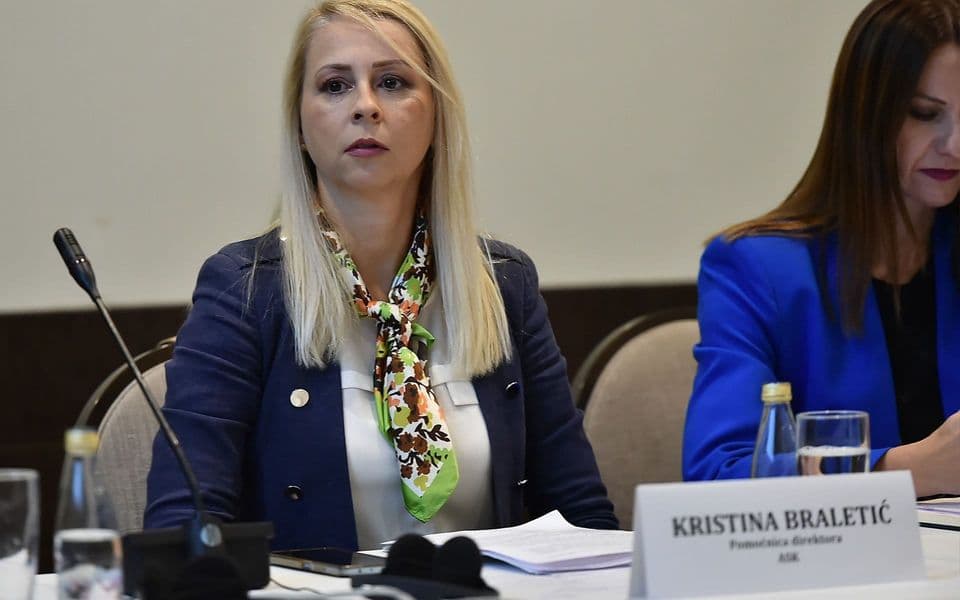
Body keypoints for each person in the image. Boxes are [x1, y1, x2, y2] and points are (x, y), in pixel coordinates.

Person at [144, 0, 616, 551]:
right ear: (299, 126)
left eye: (392, 82)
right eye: (335, 86)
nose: (365, 106)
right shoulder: (245, 291)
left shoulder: (503, 284)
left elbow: (584, 522)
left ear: (437, 117)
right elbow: (183, 534)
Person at [683, 0, 960, 497]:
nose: (955, 145)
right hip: (842, 547)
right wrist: (909, 469)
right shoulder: (756, 267)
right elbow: (719, 474)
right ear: (866, 115)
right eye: (925, 114)